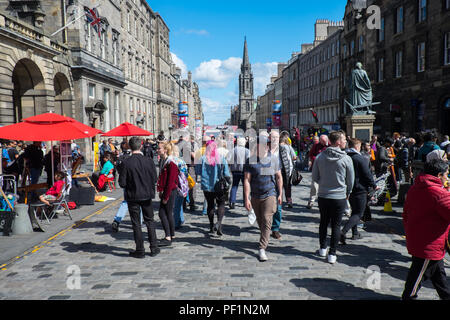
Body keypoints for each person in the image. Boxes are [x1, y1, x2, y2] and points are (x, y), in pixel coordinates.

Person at [401, 159, 450, 300]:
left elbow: (406, 213)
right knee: (416, 278)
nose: (447, 177)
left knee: (439, 276)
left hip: (419, 236)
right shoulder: (439, 193)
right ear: (439, 175)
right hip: (430, 242)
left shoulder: (416, 186)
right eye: (446, 174)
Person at [312, 131, 354, 264]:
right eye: (344, 140)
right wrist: (348, 191)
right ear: (338, 142)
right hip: (339, 196)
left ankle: (323, 248)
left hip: (324, 195)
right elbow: (350, 180)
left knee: (323, 222)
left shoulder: (320, 157)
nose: (346, 142)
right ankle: (332, 253)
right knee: (336, 225)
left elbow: (315, 177)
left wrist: (325, 183)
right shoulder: (346, 159)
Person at [118, 136, 159, 258]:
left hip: (133, 196)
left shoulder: (127, 162)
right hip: (146, 195)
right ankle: (154, 247)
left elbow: (122, 183)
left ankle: (140, 249)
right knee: (150, 221)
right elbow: (155, 179)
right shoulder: (149, 161)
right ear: (141, 146)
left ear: (130, 147)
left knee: (136, 223)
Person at [244, 135, 283, 261]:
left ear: (266, 146)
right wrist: (246, 198)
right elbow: (247, 180)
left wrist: (280, 194)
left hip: (270, 194)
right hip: (255, 196)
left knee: (267, 220)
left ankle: (262, 248)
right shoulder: (251, 161)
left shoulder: (274, 159)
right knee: (261, 222)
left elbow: (279, 177)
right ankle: (265, 237)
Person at [340, 139, 378, 244]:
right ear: (357, 146)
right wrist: (374, 185)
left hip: (349, 188)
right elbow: (367, 174)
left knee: (354, 211)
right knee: (358, 213)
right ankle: (343, 232)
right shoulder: (359, 158)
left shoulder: (345, 156)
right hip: (360, 188)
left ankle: (355, 233)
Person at [196, 140, 231, 236]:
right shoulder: (221, 158)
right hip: (219, 185)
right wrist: (228, 182)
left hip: (207, 186)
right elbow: (226, 173)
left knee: (210, 205)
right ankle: (219, 224)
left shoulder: (202, 159)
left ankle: (211, 226)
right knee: (221, 204)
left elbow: (198, 171)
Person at [156, 141, 180, 246]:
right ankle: (172, 234)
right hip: (167, 190)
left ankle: (168, 237)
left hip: (170, 191)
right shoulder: (164, 161)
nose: (157, 150)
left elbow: (170, 181)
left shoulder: (171, 162)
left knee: (162, 213)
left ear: (165, 150)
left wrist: (166, 196)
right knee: (168, 213)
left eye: (159, 148)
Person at [307, 135, 329, 209]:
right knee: (314, 185)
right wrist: (316, 158)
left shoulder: (330, 145)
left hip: (327, 169)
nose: (323, 143)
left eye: (324, 141)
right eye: (321, 141)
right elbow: (311, 154)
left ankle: (324, 202)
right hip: (317, 167)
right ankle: (311, 201)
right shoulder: (316, 145)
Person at [227, 137, 250, 209]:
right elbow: (249, 161)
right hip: (244, 171)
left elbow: (228, 160)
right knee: (245, 186)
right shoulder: (247, 151)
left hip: (235, 170)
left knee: (234, 186)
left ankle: (232, 201)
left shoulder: (233, 150)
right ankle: (245, 201)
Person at [279, 134, 297, 208]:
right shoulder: (289, 147)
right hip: (288, 168)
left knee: (278, 184)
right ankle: (289, 200)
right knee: (288, 185)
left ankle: (279, 199)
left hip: (278, 168)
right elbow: (295, 157)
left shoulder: (276, 147)